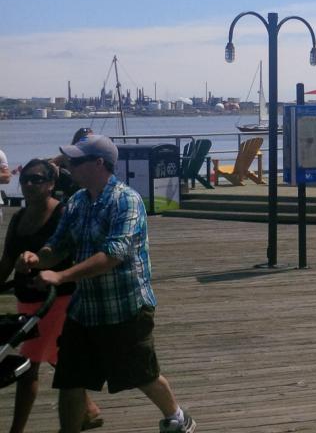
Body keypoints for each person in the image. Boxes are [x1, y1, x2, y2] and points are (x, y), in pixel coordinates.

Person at [16, 136, 195, 433]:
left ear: (99, 164)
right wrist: (38, 258)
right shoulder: (76, 201)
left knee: (142, 375)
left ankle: (177, 416)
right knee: (71, 379)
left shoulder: (126, 200)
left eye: (75, 161)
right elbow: (58, 245)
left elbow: (113, 255)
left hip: (125, 307)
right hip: (84, 309)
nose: (68, 166)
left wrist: (61, 276)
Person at [0, 159, 103, 433]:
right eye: (25, 180)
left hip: (57, 300)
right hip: (27, 299)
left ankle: (15, 431)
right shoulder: (19, 218)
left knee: (28, 364)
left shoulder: (62, 214)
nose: (30, 185)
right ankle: (89, 410)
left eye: (37, 179)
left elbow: (71, 253)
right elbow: (7, 260)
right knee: (58, 356)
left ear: (51, 184)